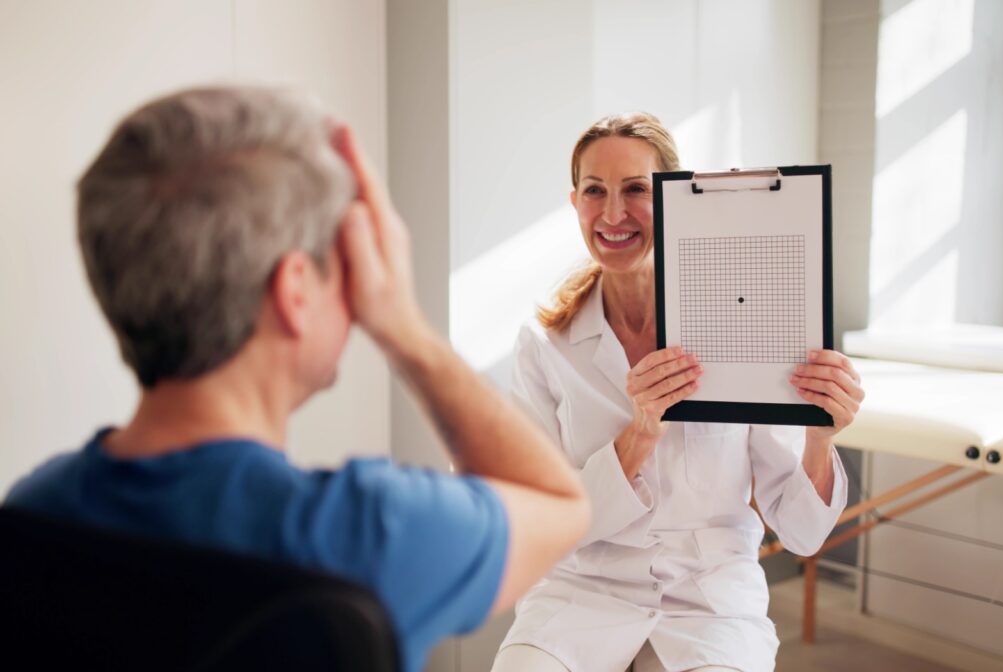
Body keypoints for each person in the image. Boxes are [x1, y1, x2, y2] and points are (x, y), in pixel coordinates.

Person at [2, 86, 591, 672]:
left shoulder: (32, 512)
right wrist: (406, 328)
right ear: (294, 292)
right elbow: (560, 504)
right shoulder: (371, 534)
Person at [491, 113, 863, 672]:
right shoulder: (545, 346)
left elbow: (803, 532)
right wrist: (638, 436)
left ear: (673, 201)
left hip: (709, 602)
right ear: (575, 204)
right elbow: (541, 522)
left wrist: (820, 435)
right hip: (582, 597)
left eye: (636, 189)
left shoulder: (743, 329)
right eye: (595, 191)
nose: (613, 214)